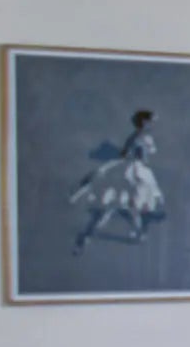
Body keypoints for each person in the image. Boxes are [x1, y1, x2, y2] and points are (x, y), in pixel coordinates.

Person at [70, 108, 166, 252]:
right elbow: (142, 155)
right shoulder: (143, 138)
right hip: (133, 172)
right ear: (144, 123)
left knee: (116, 206)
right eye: (150, 122)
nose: (152, 126)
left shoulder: (135, 137)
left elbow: (126, 153)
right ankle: (138, 232)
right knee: (126, 205)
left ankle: (87, 236)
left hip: (127, 170)